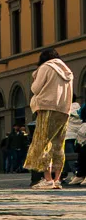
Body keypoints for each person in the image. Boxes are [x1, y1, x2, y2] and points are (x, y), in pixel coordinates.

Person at [26, 46, 75, 191]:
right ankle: (57, 180)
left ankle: (48, 179)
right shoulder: (67, 70)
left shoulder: (46, 67)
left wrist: (35, 76)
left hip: (47, 107)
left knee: (43, 143)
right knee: (58, 145)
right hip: (64, 110)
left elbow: (35, 89)